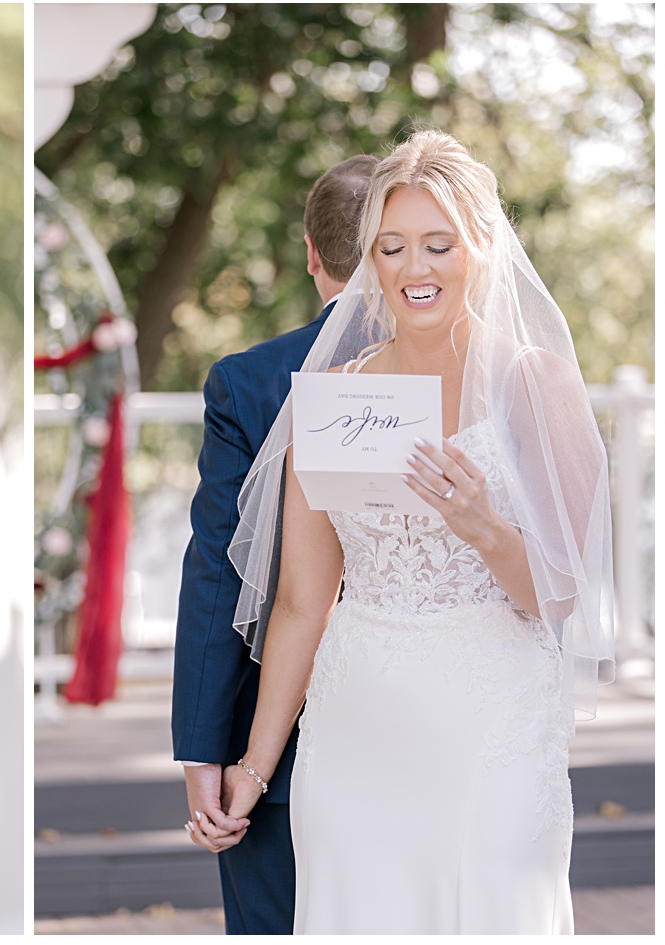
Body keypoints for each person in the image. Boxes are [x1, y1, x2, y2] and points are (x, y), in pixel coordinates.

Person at [220, 129, 615, 933]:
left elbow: (561, 596)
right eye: (392, 247)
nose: (414, 268)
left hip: (492, 726)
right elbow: (301, 601)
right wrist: (255, 770)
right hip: (358, 724)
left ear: (480, 249)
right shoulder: (330, 397)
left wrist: (485, 528)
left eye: (439, 244)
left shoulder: (533, 384)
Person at [170, 153, 376, 934]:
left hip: (277, 751)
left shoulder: (249, 382)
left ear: (312, 252)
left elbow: (219, 574)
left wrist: (204, 751)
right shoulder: (475, 372)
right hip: (441, 727)